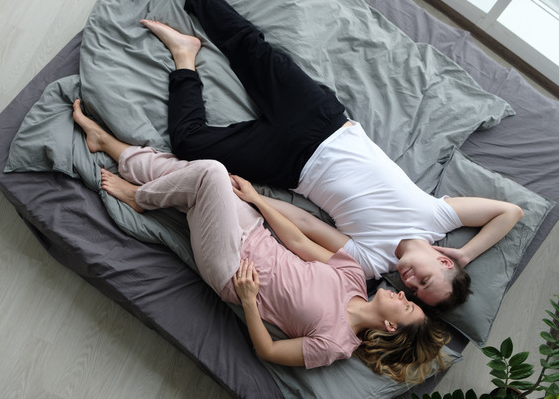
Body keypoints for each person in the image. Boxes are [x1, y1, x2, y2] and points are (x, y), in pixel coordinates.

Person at [140, 0, 524, 311]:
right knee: (251, 50)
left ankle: (185, 56)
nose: (409, 282)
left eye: (413, 291)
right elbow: (510, 211)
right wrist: (467, 255)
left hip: (291, 166)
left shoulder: (373, 265)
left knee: (189, 145)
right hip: (323, 124)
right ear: (442, 260)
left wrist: (258, 199)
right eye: (425, 279)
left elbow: (309, 228)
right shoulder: (436, 218)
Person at [71, 99, 449, 382]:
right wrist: (257, 201)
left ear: (390, 328)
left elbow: (267, 351)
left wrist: (250, 301)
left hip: (232, 269)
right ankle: (108, 144)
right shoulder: (354, 276)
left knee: (211, 174)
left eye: (408, 306)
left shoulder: (335, 344)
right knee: (189, 174)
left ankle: (140, 199)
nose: (403, 294)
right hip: (256, 233)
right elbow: (299, 242)